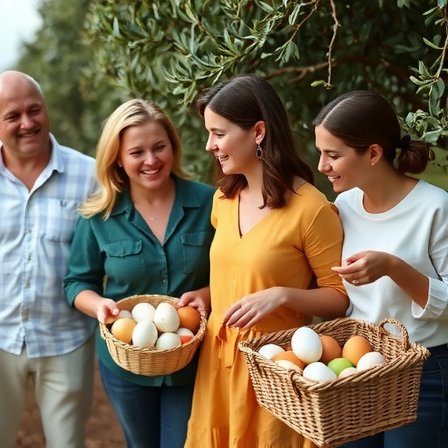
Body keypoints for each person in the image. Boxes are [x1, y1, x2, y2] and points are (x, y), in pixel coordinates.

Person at [179, 74, 349, 448]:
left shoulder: (311, 209)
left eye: (218, 133)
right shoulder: (223, 201)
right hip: (217, 364)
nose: (210, 145)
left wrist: (283, 295)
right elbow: (241, 269)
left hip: (275, 371)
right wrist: (208, 295)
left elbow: (339, 297)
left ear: (257, 132)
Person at [63, 98, 215, 448]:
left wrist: (206, 295)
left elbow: (234, 269)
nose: (151, 160)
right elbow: (76, 283)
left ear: (173, 148)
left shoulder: (209, 203)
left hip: (192, 360)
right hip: (125, 367)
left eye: (159, 147)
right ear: (117, 156)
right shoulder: (98, 216)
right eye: (137, 152)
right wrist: (99, 305)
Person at [314, 90, 448, 447]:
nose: (322, 166)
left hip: (424, 372)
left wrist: (393, 267)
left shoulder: (434, 208)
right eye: (320, 153)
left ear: (373, 153)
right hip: (359, 369)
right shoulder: (344, 205)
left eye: (333, 155)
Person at [0, 70, 98, 448]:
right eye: (12, 116)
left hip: (66, 340)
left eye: (34, 110)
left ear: (47, 111)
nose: (27, 123)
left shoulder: (89, 175)